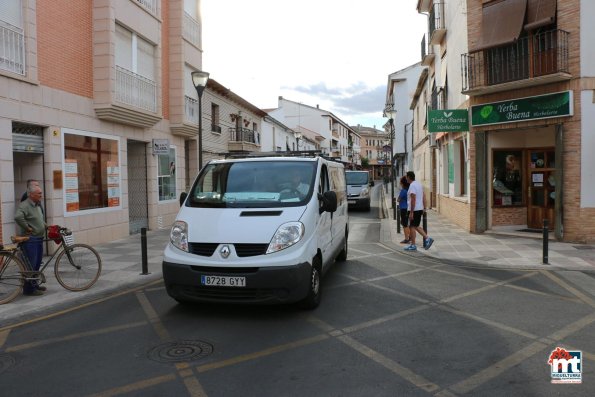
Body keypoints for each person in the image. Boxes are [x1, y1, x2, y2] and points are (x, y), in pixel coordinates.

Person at [15, 185, 47, 296]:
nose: (41, 195)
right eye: (39, 193)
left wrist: (46, 226)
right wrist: (27, 228)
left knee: (37, 264)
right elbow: (18, 217)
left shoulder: (37, 205)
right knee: (31, 265)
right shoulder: (25, 205)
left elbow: (39, 220)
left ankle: (34, 285)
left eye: (41, 193)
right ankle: (29, 290)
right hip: (30, 240)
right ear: (31, 194)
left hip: (38, 238)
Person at [404, 171, 434, 251]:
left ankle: (415, 244)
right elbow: (423, 196)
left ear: (409, 177)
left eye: (406, 177)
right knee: (415, 226)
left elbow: (413, 199)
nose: (406, 178)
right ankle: (426, 239)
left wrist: (411, 212)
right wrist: (424, 207)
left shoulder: (412, 186)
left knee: (412, 227)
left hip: (414, 209)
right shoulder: (419, 184)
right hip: (419, 209)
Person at [397, 176, 411, 244]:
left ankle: (406, 238)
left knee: (405, 224)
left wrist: (400, 199)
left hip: (403, 208)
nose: (400, 183)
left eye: (400, 182)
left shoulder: (403, 190)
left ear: (402, 183)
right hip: (407, 208)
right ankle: (410, 236)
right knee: (404, 222)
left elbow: (398, 199)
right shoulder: (408, 189)